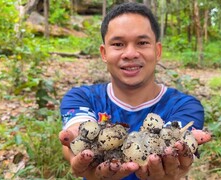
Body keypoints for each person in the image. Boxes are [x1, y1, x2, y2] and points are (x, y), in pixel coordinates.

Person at [58, 2, 204, 180]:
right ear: (104, 53)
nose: (130, 53)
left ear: (157, 51)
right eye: (118, 44)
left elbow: (176, 141)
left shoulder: (185, 106)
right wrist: (76, 147)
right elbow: (74, 134)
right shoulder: (82, 97)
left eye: (142, 42)